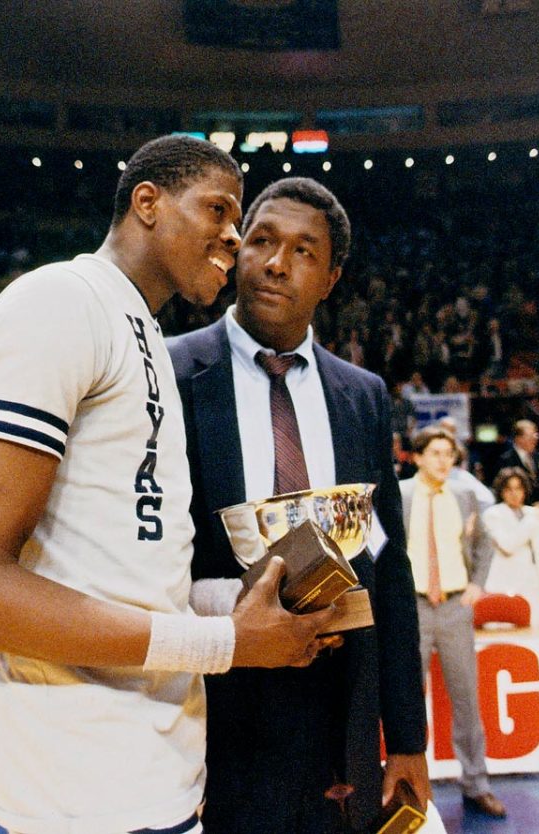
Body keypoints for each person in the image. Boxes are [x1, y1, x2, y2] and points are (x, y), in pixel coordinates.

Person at [0, 135, 334, 834]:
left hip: (152, 772)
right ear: (147, 202)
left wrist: (247, 596)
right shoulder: (60, 301)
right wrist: (230, 644)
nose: (233, 237)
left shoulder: (142, 336)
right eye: (219, 209)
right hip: (80, 785)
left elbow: (130, 571)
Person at [167, 177, 428, 832]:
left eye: (304, 251)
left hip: (342, 722)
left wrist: (408, 738)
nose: (277, 263)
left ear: (331, 277)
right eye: (262, 241)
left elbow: (388, 571)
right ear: (236, 252)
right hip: (214, 712)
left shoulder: (363, 396)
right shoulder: (169, 374)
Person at [399, 427, 505, 818]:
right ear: (418, 456)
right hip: (413, 607)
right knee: (408, 701)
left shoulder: (465, 495)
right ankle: (409, 788)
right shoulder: (400, 494)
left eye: (450, 454)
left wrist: (477, 584)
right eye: (436, 453)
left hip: (455, 606)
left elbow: (484, 545)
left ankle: (477, 784)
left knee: (466, 700)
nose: (445, 461)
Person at [483, 467, 539, 626]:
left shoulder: (533, 514)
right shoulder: (493, 515)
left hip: (535, 584)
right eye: (509, 489)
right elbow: (508, 545)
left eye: (518, 488)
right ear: (502, 491)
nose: (514, 494)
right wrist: (531, 520)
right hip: (505, 584)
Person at [497, 419, 539, 511]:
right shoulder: (506, 459)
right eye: (530, 436)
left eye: (535, 436)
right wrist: (530, 508)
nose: (535, 439)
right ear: (518, 438)